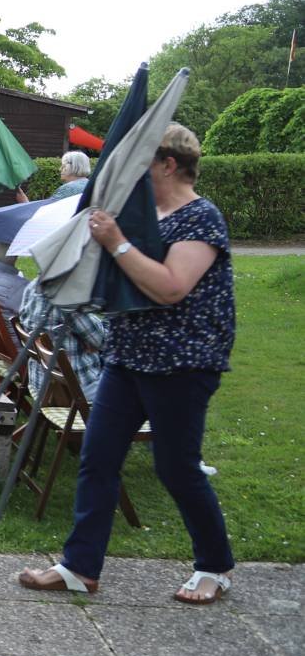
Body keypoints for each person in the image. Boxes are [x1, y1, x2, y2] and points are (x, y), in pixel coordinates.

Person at [19, 124, 237, 605]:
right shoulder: (146, 215)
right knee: (98, 460)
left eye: (142, 160)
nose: (132, 169)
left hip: (181, 362)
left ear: (168, 164)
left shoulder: (201, 218)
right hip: (128, 355)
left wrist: (117, 241)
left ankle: (214, 566)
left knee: (176, 467)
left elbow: (172, 286)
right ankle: (79, 567)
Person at [17, 281, 108, 404]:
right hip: (76, 389)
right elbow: (103, 341)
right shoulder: (66, 298)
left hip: (40, 383)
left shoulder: (32, 287)